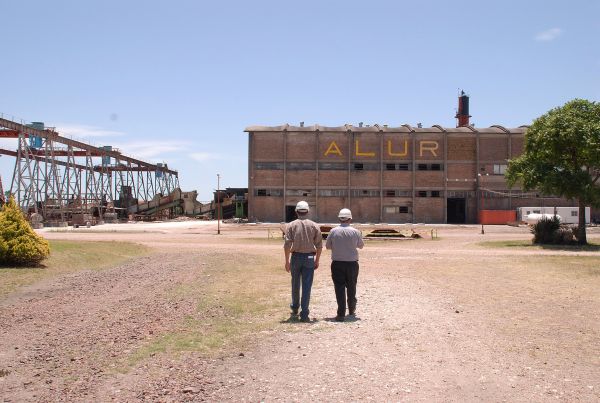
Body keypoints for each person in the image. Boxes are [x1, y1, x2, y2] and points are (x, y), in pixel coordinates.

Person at [283, 201, 323, 322]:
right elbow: (320, 246)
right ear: (307, 211)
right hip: (309, 258)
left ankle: (295, 308)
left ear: (296, 211)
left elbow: (287, 245)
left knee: (295, 284)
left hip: (295, 257)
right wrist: (317, 260)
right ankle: (304, 313)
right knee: (307, 286)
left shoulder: (290, 225)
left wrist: (287, 261)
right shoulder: (314, 225)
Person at [325, 208, 364, 322]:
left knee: (339, 287)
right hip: (352, 263)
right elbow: (361, 246)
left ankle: (341, 313)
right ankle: (351, 309)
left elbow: (327, 246)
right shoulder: (356, 231)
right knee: (352, 286)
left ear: (339, 218)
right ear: (350, 219)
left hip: (337, 263)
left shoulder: (333, 231)